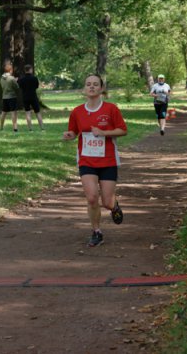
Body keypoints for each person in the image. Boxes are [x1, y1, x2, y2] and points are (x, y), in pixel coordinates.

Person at [63, 74, 128, 247]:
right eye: (88, 84)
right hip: (86, 160)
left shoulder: (111, 109)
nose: (91, 87)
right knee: (92, 198)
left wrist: (104, 133)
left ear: (101, 89)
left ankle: (114, 206)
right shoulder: (77, 111)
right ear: (84, 89)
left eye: (95, 84)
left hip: (107, 160)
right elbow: (74, 131)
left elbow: (123, 130)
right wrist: (70, 135)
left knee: (106, 202)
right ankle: (96, 231)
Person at [17, 65, 44, 131]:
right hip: (33, 97)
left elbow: (20, 86)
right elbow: (37, 86)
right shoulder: (34, 78)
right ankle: (42, 128)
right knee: (37, 112)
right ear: (30, 70)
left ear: (25, 70)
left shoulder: (21, 79)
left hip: (25, 97)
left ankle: (30, 129)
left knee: (27, 113)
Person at [0, 62, 19, 132]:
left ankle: (1, 127)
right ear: (11, 70)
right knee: (13, 112)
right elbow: (17, 87)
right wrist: (16, 81)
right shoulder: (11, 78)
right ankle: (15, 128)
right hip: (12, 97)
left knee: (3, 112)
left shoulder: (2, 78)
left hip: (4, 97)